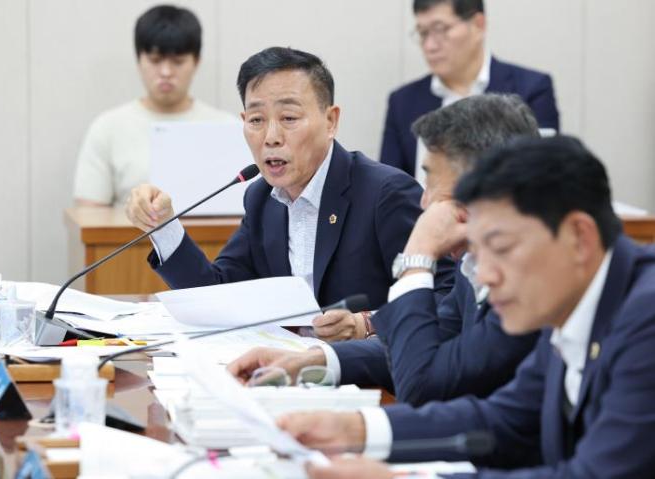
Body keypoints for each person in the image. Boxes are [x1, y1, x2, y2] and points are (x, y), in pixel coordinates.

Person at [280, 136, 655, 478]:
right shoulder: (569, 304)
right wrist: (356, 429)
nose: (486, 275)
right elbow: (505, 419)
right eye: (477, 250)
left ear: (579, 238)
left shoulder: (646, 317)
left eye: (502, 248)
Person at [228, 94, 540, 404]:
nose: (425, 202)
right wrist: (313, 360)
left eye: (434, 184)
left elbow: (421, 382)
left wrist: (417, 257)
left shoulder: (530, 284)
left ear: (488, 187)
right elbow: (418, 346)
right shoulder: (472, 268)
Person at [125, 46, 436, 338]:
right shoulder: (262, 199)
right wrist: (163, 226)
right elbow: (215, 296)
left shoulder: (385, 193)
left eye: (289, 118)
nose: (271, 137)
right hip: (287, 368)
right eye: (257, 120)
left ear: (331, 121)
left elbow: (442, 297)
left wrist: (367, 324)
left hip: (370, 372)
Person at [73, 5, 236, 207]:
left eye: (178, 61)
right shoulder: (107, 128)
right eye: (155, 60)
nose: (166, 72)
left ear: (196, 62)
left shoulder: (228, 127)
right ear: (139, 60)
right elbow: (89, 213)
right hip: (129, 229)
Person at [380, 0, 559, 178]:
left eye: (440, 30)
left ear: (478, 24)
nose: (429, 46)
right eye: (423, 33)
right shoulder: (402, 101)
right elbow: (391, 184)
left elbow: (541, 175)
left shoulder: (531, 89)